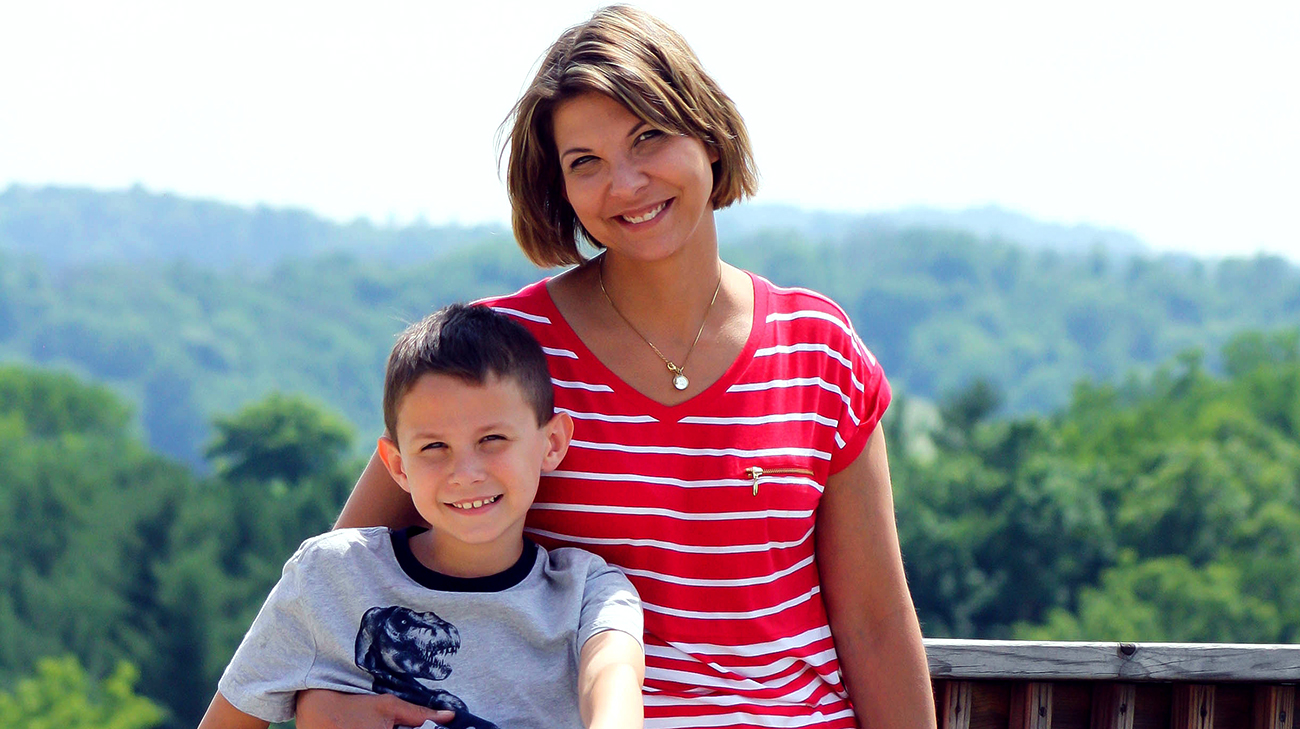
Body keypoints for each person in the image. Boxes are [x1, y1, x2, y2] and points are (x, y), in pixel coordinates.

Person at [299, 5, 935, 728]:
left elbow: (876, 625)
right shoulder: (497, 353)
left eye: (649, 137)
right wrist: (333, 704)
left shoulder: (819, 346)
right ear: (559, 190)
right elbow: (338, 581)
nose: (626, 183)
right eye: (586, 163)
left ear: (709, 135)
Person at [196, 304, 645, 729]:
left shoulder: (587, 592)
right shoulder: (329, 576)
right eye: (434, 447)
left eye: (492, 438)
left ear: (551, 443)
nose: (465, 474)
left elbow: (613, 673)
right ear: (396, 465)